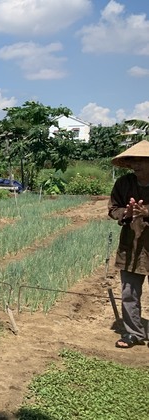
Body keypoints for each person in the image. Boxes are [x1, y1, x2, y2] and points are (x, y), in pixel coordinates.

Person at [108, 140, 149, 348]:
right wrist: (127, 213)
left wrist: (147, 213)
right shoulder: (124, 184)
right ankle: (134, 332)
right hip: (131, 246)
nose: (137, 165)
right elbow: (113, 208)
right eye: (134, 161)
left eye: (142, 161)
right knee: (129, 292)